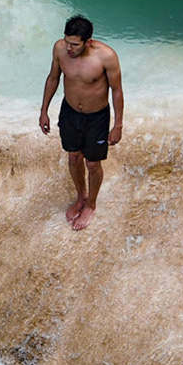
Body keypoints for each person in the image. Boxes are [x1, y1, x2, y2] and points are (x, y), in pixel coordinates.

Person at [38, 14, 123, 231]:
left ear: (88, 42)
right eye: (67, 42)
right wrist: (44, 111)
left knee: (93, 164)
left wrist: (118, 125)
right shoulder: (59, 49)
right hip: (70, 113)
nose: (69, 48)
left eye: (75, 45)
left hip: (97, 116)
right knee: (74, 156)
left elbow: (116, 91)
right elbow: (53, 78)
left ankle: (91, 204)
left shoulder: (106, 56)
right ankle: (81, 196)